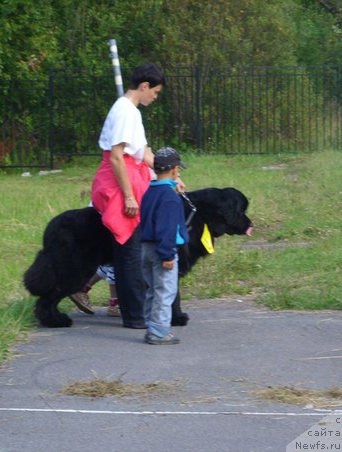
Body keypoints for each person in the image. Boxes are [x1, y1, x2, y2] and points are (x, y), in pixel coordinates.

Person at [90, 63, 166, 329]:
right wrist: (128, 197)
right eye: (155, 92)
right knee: (129, 254)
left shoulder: (131, 112)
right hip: (120, 185)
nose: (155, 98)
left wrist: (169, 175)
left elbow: (143, 154)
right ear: (144, 86)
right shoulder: (124, 111)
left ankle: (135, 312)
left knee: (131, 252)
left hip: (131, 180)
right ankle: (134, 316)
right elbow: (116, 157)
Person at [141, 147, 189, 345]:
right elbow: (167, 228)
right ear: (175, 170)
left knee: (152, 288)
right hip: (163, 249)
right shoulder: (170, 198)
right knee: (165, 290)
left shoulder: (150, 191)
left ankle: (151, 325)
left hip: (145, 248)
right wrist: (167, 254)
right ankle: (159, 332)